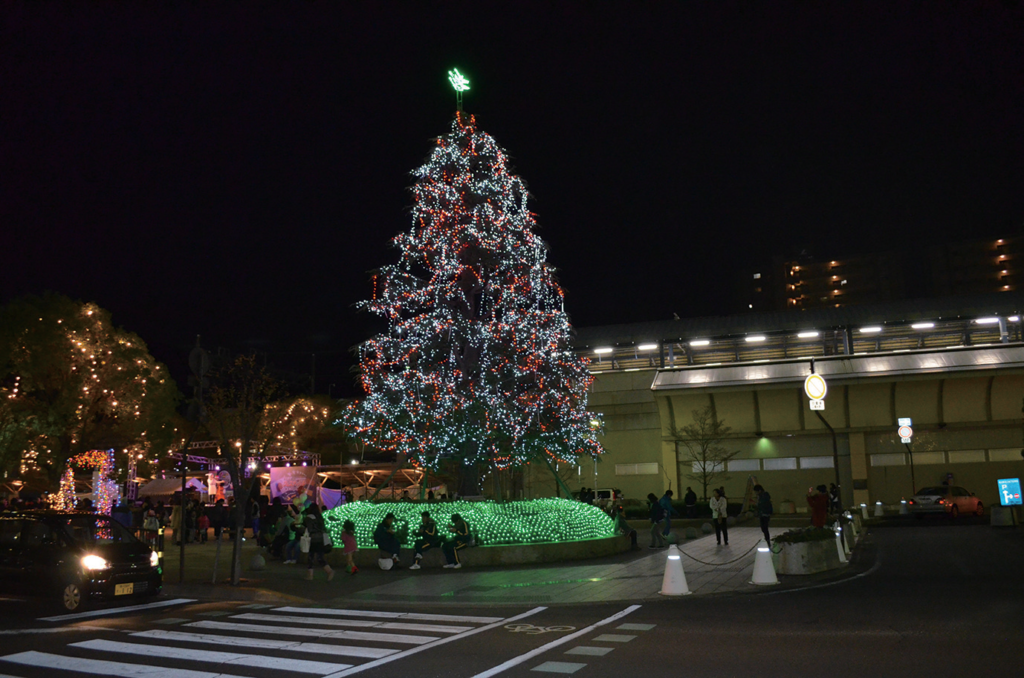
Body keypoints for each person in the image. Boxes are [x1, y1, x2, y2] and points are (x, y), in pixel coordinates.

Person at [303, 504, 334, 581]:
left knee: (311, 557)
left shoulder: (309, 518)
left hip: (313, 539)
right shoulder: (319, 517)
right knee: (320, 557)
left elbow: (308, 528)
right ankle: (329, 571)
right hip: (321, 539)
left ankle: (310, 575)